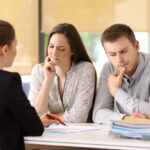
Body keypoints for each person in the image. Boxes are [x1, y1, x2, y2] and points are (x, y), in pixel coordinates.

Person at [29, 23, 96, 126]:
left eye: (61, 49)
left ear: (72, 50)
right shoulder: (38, 71)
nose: (54, 53)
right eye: (51, 47)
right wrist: (48, 79)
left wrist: (49, 117)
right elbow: (36, 112)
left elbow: (79, 117)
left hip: (80, 135)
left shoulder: (85, 69)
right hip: (49, 134)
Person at [93, 23, 150, 125]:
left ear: (136, 46)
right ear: (107, 54)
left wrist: (116, 92)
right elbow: (98, 114)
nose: (119, 60)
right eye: (112, 54)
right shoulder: (109, 68)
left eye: (123, 51)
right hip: (125, 137)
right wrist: (125, 119)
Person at [0, 20, 44, 150]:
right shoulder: (8, 82)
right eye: (16, 45)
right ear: (5, 49)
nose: (16, 51)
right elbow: (36, 128)